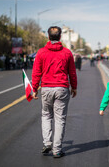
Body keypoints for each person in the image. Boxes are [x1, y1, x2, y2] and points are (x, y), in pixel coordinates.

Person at [32, 26, 77, 158]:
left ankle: (47, 143)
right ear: (60, 37)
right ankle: (57, 150)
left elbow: (36, 73)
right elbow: (72, 73)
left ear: (48, 37)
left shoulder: (41, 52)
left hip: (46, 88)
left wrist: (34, 89)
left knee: (46, 115)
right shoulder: (67, 53)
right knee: (60, 119)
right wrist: (74, 87)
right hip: (62, 88)